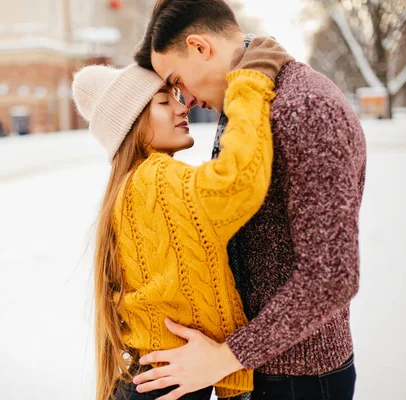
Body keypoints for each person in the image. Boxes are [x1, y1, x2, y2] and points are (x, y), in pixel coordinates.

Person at [131, 1, 367, 400]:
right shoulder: (249, 101)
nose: (184, 100)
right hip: (254, 370)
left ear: (200, 47)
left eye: (178, 81)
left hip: (298, 378)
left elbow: (331, 276)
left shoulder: (304, 108)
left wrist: (226, 357)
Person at [72, 39, 292, 400]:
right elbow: (238, 182)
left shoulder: (135, 184)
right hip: (166, 385)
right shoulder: (155, 178)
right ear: (132, 125)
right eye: (163, 102)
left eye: (176, 96)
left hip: (156, 380)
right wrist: (251, 80)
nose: (182, 106)